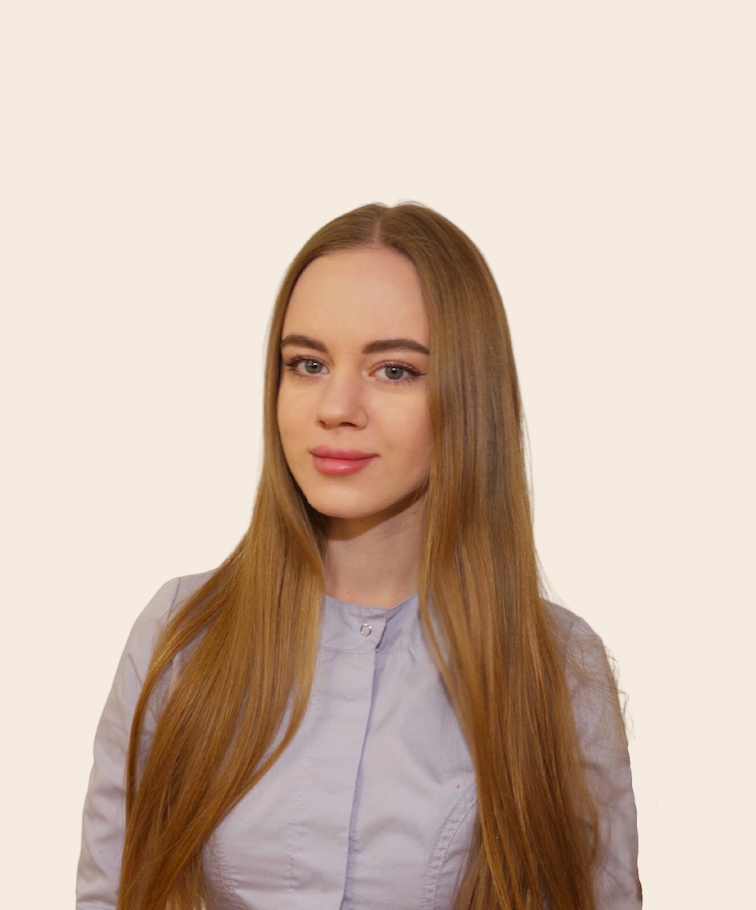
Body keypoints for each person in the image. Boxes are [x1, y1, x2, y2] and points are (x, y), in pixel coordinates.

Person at [76, 202, 641, 910]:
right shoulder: (181, 634)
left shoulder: (556, 669)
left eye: (395, 371)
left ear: (469, 397)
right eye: (306, 363)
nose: (336, 405)